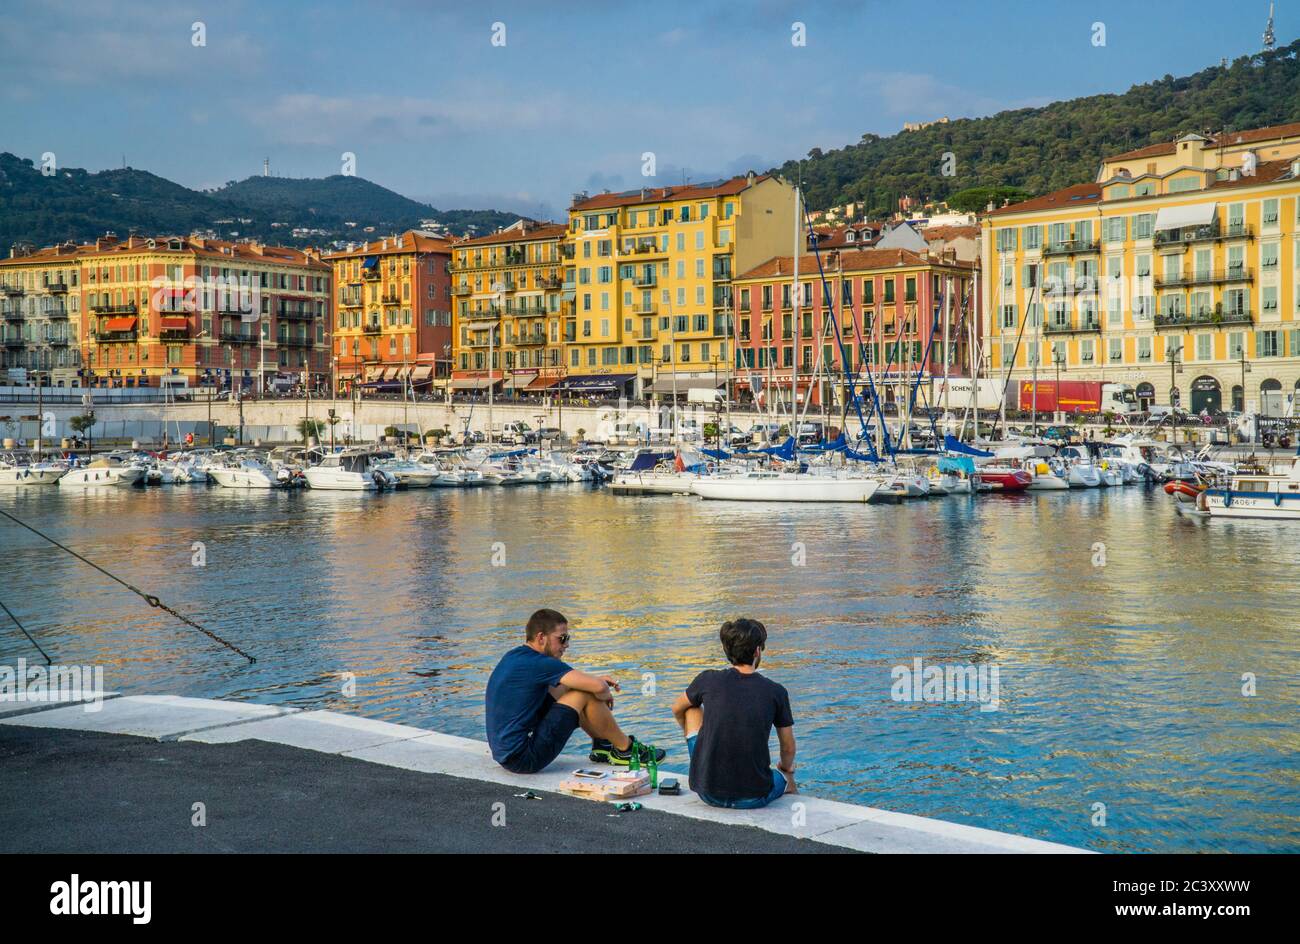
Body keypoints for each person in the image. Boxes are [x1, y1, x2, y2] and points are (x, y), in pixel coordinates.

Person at [485, 608, 665, 774]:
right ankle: (626, 750)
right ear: (541, 638)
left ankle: (602, 745)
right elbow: (599, 688)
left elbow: (574, 681)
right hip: (524, 758)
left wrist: (596, 682)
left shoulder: (516, 656)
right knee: (584, 694)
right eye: (562, 638)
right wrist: (603, 692)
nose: (567, 644)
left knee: (571, 687)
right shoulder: (541, 663)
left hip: (507, 754)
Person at [670, 617, 796, 809]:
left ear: (726, 650)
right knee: (787, 777)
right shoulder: (776, 691)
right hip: (753, 797)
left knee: (691, 708)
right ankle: (791, 788)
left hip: (707, 792)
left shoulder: (707, 680)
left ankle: (703, 761)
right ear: (757, 651)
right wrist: (785, 769)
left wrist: (697, 742)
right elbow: (788, 748)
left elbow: (677, 708)